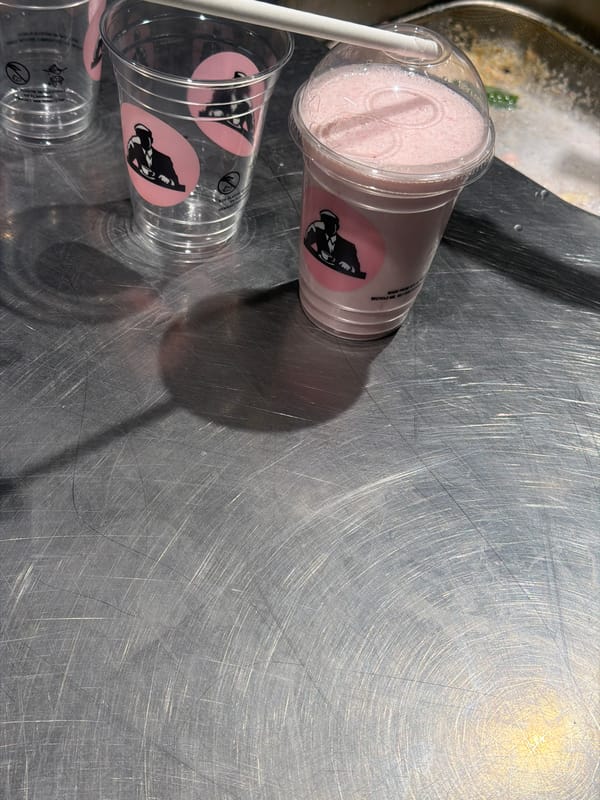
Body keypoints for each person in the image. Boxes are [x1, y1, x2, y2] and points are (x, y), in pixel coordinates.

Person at [303, 209, 365, 278]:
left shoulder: (349, 246)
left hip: (340, 280)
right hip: (317, 274)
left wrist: (350, 268)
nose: (328, 226)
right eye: (326, 223)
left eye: (330, 224)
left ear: (336, 226)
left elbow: (357, 270)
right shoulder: (320, 235)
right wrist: (313, 227)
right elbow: (306, 243)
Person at [198, 71, 254, 144]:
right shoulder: (224, 94)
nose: (237, 86)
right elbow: (212, 106)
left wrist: (250, 131)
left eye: (240, 84)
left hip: (236, 132)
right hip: (220, 126)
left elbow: (250, 118)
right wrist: (216, 112)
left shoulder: (246, 102)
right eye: (236, 83)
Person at [126, 123, 185, 191]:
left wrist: (168, 181)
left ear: (151, 139)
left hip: (164, 193)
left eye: (146, 138)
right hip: (143, 191)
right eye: (141, 138)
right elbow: (130, 161)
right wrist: (130, 146)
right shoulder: (137, 151)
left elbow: (175, 183)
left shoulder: (164, 159)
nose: (144, 141)